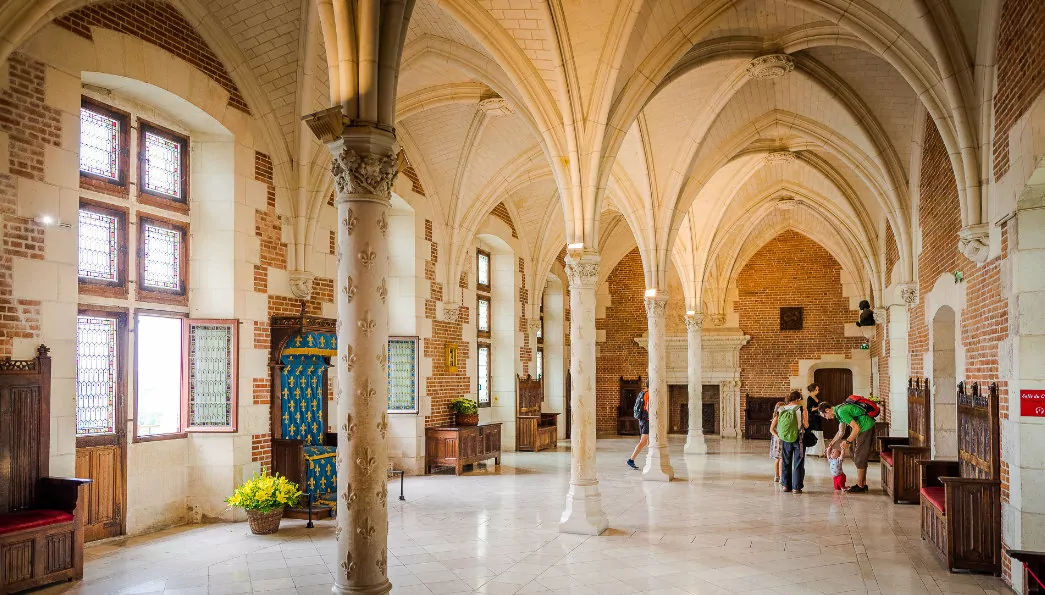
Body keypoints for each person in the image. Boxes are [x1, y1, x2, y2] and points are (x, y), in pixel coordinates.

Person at [820, 399, 876, 493]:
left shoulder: (841, 411)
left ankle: (860, 486)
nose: (826, 418)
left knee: (859, 457)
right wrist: (831, 444)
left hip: (866, 427)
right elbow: (841, 432)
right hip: (863, 428)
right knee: (857, 454)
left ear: (827, 410)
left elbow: (856, 428)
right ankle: (862, 483)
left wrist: (848, 441)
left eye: (824, 416)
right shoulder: (839, 410)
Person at [770, 391, 808, 493]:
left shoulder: (781, 408)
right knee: (798, 463)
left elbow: (776, 423)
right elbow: (807, 425)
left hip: (785, 438)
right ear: (797, 399)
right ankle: (796, 487)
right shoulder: (801, 409)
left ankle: (786, 486)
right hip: (798, 438)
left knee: (786, 462)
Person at [627, 388, 649, 469]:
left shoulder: (643, 392)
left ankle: (651, 459)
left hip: (642, 419)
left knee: (649, 440)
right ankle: (631, 460)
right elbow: (648, 407)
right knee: (643, 441)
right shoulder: (648, 394)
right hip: (646, 420)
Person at [805, 383, 825, 457]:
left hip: (818, 417)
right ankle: (812, 451)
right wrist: (819, 406)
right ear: (813, 390)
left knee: (819, 431)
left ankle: (819, 451)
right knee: (813, 431)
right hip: (812, 417)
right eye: (816, 389)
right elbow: (810, 409)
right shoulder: (809, 398)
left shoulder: (816, 397)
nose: (818, 391)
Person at [768, 401, 784, 481]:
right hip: (777, 439)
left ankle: (780, 476)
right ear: (777, 409)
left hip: (782, 438)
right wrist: (778, 436)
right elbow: (771, 430)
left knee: (781, 458)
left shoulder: (783, 417)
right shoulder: (776, 418)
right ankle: (778, 476)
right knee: (778, 458)